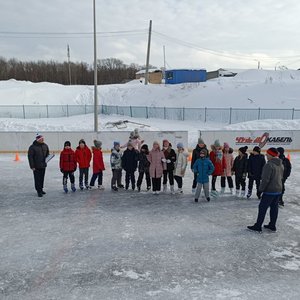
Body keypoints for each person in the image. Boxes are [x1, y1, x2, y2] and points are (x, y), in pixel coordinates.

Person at [247, 148, 284, 233]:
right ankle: (272, 225)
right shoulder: (281, 164)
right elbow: (281, 177)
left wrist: (261, 189)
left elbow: (265, 179)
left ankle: (258, 226)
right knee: (274, 208)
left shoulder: (269, 165)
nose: (266, 156)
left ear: (271, 155)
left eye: (267, 154)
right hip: (278, 189)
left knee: (262, 208)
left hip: (270, 191)